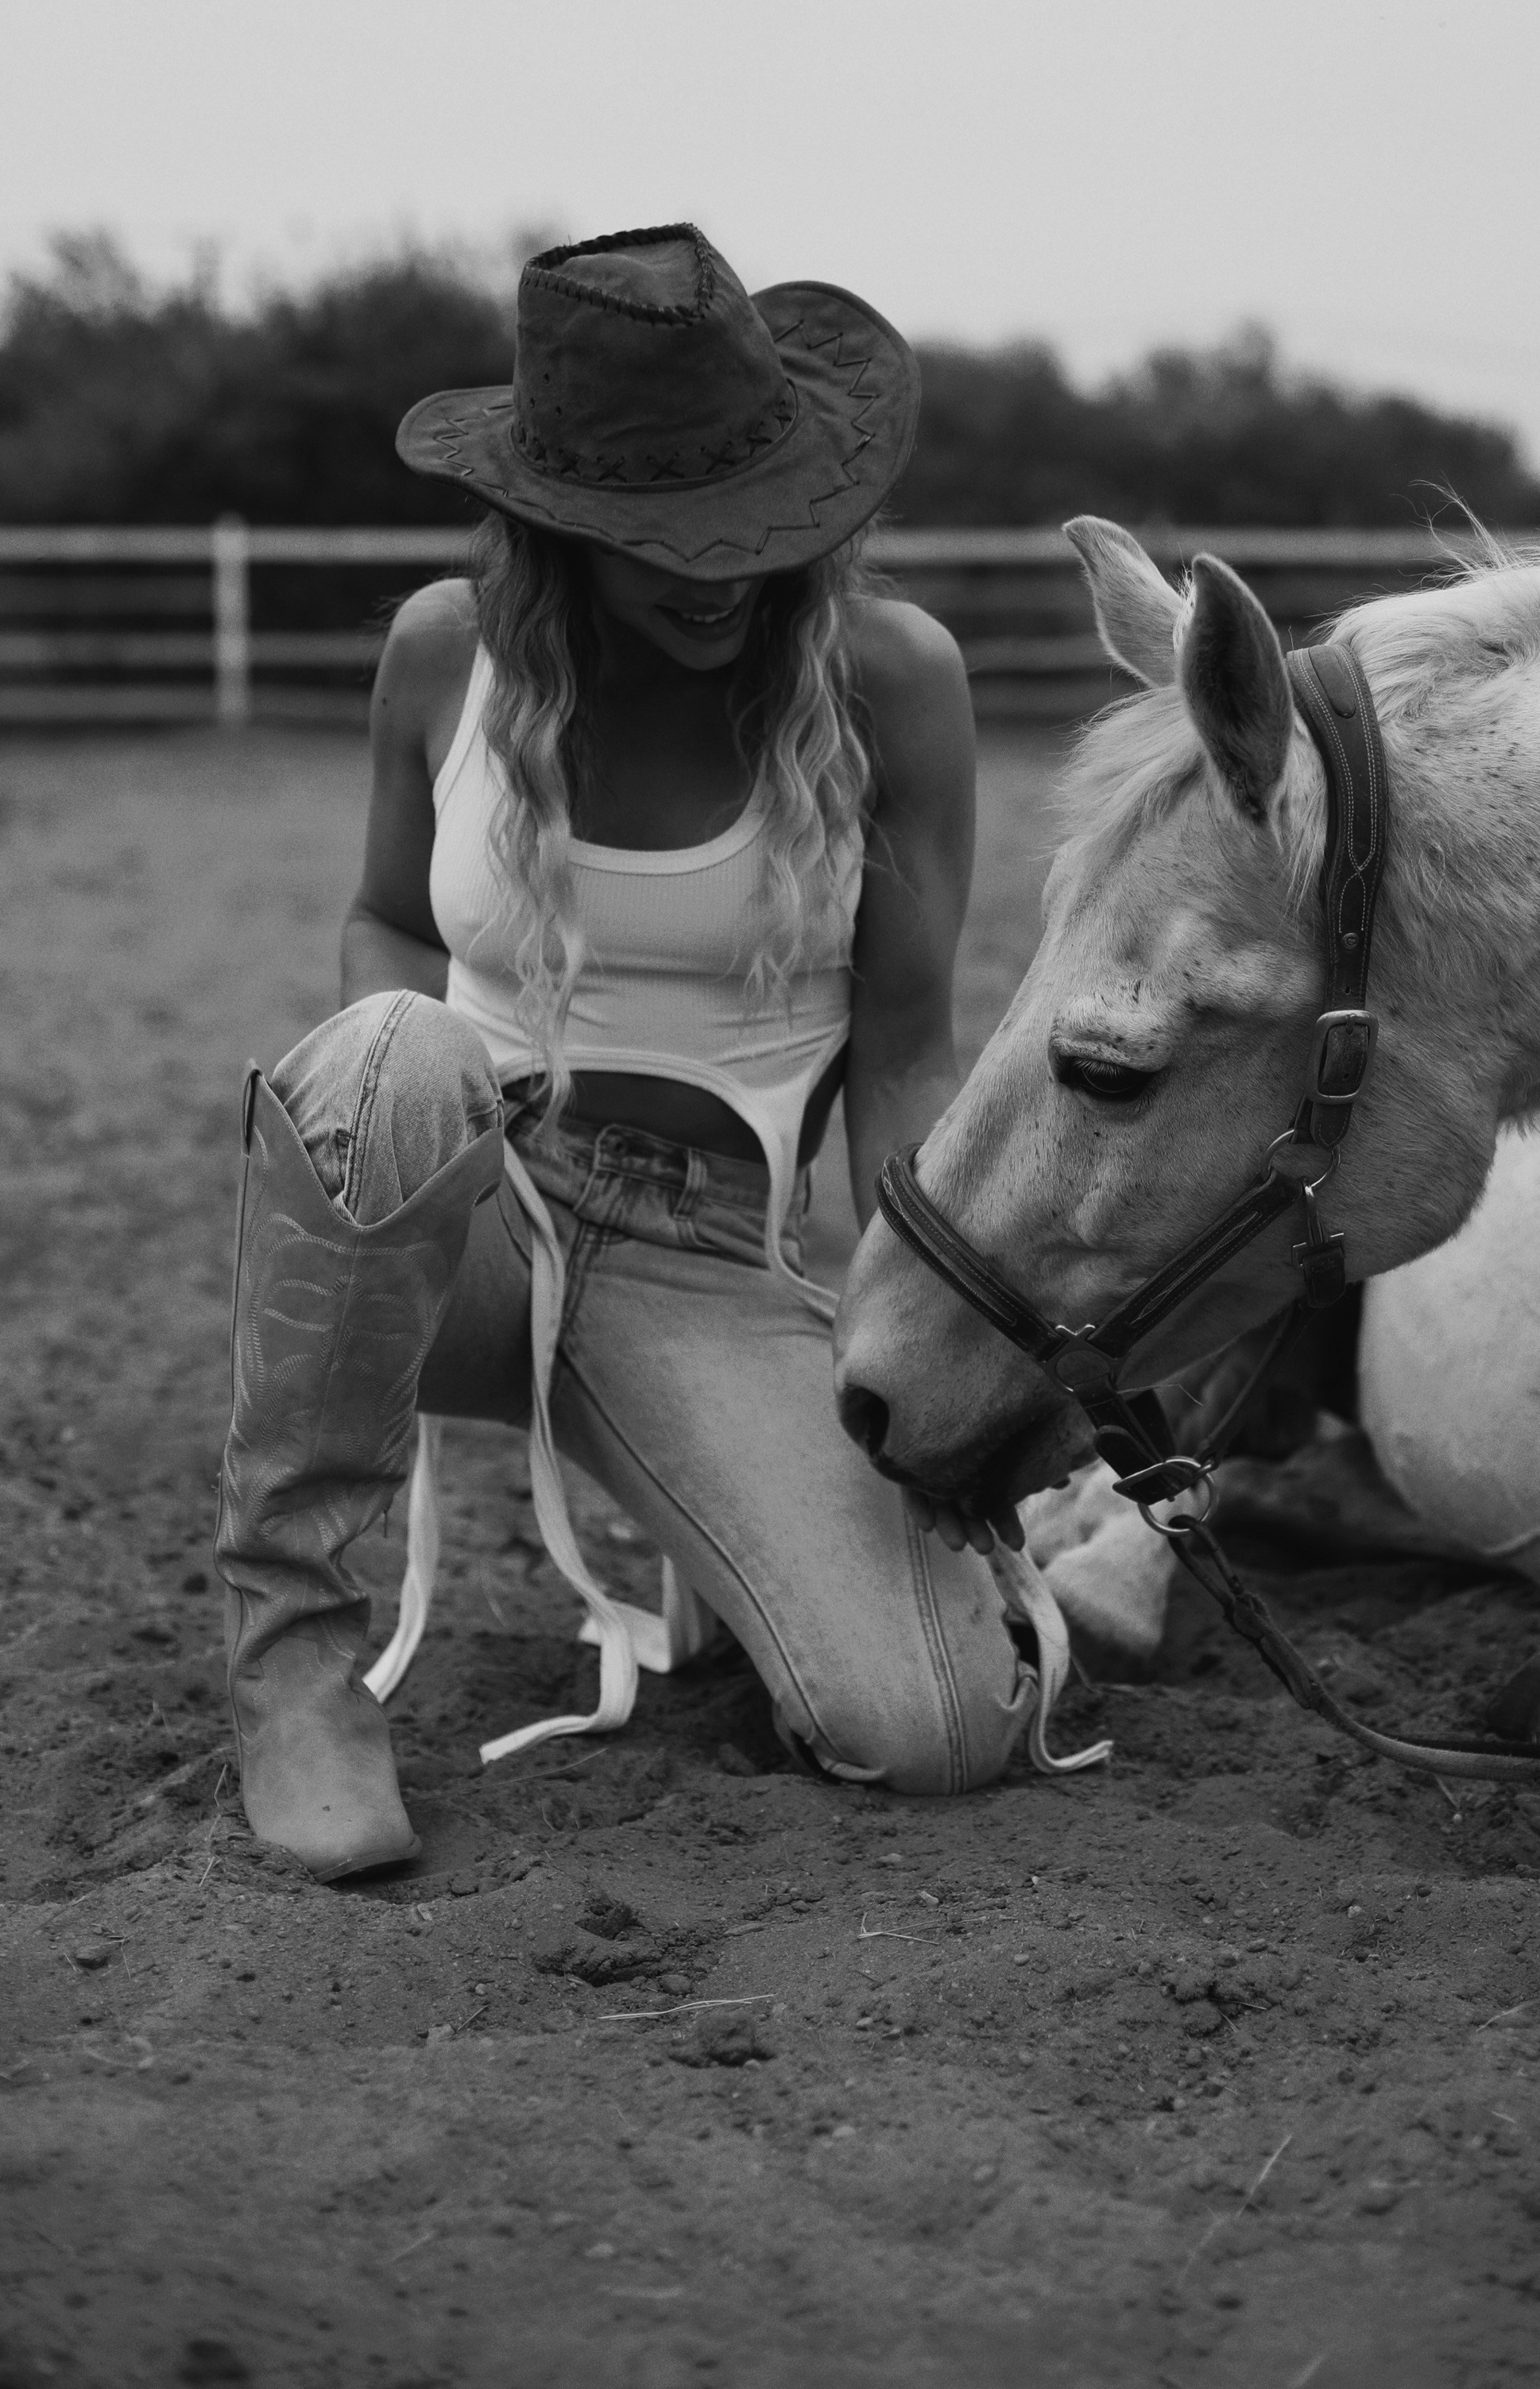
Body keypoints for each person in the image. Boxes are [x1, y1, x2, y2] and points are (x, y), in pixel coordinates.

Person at [215, 224, 1093, 1881]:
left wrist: (939, 1339)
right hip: (453, 1202)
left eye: (744, 532)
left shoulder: (892, 684)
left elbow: (906, 1051)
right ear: (559, 524)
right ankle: (295, 1662)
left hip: (699, 1245)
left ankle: (737, 1544)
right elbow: (386, 922)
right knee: (385, 1045)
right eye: (661, 538)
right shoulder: (439, 652)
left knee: (935, 1725)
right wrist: (433, 1069)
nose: (716, 573)